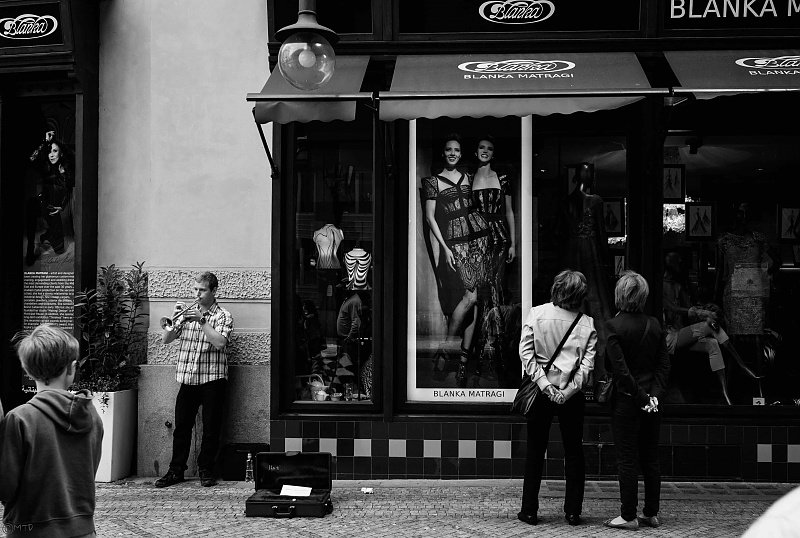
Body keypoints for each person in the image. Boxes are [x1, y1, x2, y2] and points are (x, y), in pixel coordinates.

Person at [0, 324, 103, 538]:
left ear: (26, 369)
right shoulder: (91, 415)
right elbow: (88, 471)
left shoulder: (19, 419)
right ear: (72, 369)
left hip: (28, 531)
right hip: (83, 530)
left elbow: (5, 488)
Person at [518, 270, 596, 527]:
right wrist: (567, 391)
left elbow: (526, 353)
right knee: (574, 450)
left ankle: (529, 511)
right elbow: (587, 367)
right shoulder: (587, 324)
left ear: (557, 289)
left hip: (540, 392)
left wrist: (544, 384)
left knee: (535, 449)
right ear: (580, 294)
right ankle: (573, 512)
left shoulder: (537, 314)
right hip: (570, 396)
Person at [422, 133, 490, 387]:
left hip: (478, 241)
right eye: (449, 149)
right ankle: (446, 349)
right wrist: (445, 249)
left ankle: (462, 361)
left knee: (475, 301)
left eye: (457, 150)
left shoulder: (470, 178)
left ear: (461, 154)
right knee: (469, 298)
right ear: (443, 152)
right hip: (455, 244)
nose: (453, 153)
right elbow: (430, 218)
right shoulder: (433, 182)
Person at [603, 271, 670, 530]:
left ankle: (628, 515)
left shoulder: (613, 326)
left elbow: (619, 369)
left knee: (627, 458)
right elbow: (663, 366)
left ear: (620, 294)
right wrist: (654, 397)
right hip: (653, 402)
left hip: (627, 402)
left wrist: (640, 397)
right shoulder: (654, 324)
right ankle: (651, 513)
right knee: (650, 457)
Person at [156, 271, 234, 488]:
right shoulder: (186, 314)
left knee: (211, 429)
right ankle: (176, 470)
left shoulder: (223, 316)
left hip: (213, 379)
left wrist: (202, 321)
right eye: (195, 289)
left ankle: (206, 469)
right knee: (181, 428)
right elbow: (166, 339)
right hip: (188, 379)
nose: (197, 294)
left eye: (202, 290)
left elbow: (220, 343)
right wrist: (175, 318)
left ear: (214, 291)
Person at [663, 250, 758, 405]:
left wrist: (706, 309)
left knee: (713, 344)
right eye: (677, 262)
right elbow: (674, 308)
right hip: (668, 338)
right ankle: (741, 364)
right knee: (710, 325)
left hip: (680, 336)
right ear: (669, 263)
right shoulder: (658, 285)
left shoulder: (678, 286)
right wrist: (701, 313)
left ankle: (725, 395)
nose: (680, 264)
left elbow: (691, 310)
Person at [559, 162, 614, 380]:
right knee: (597, 303)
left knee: (575, 301)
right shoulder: (595, 200)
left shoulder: (567, 201)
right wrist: (608, 262)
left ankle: (577, 364)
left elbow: (561, 233)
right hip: (590, 254)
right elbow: (601, 233)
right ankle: (598, 369)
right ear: (587, 176)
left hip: (571, 254)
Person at [25, 131, 74, 266]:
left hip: (53, 208)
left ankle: (48, 235)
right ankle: (30, 248)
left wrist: (62, 206)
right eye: (49, 152)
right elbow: (31, 159)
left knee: (59, 250)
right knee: (31, 205)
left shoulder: (67, 169)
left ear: (61, 153)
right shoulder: (46, 167)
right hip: (42, 203)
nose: (51, 155)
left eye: (55, 151)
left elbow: (69, 189)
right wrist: (45, 142)